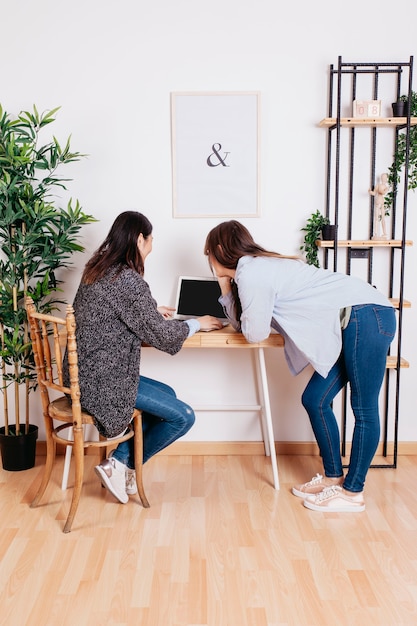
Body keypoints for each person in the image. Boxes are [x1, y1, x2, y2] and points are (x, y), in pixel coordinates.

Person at [204, 220, 396, 512]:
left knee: (364, 408)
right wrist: (224, 284)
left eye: (207, 253)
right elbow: (248, 324)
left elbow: (253, 333)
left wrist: (226, 286)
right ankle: (333, 477)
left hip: (366, 314)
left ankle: (353, 492)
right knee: (315, 399)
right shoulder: (253, 269)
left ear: (218, 250)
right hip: (354, 320)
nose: (207, 260)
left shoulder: (253, 272)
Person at [63, 211, 223, 504]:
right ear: (139, 239)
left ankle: (118, 460)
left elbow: (117, 315)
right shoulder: (128, 280)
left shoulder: (95, 271)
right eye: (150, 242)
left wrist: (151, 314)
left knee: (168, 394)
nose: (150, 248)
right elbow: (163, 337)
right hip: (103, 384)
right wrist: (199, 323)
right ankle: (120, 465)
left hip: (82, 376)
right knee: (183, 416)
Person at [369, 173, 389, 240]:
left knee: (383, 218)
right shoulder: (378, 185)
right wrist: (370, 191)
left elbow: (383, 192)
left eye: (385, 178)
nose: (384, 179)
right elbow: (374, 193)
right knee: (376, 218)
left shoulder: (386, 187)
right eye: (383, 177)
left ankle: (384, 233)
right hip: (378, 202)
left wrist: (384, 189)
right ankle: (376, 233)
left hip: (382, 202)